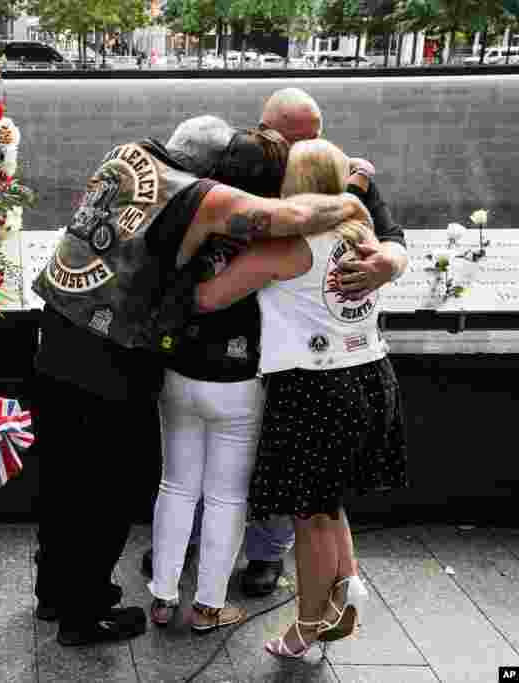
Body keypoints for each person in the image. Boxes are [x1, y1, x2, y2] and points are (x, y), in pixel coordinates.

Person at [31, 114, 371, 647]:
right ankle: (85, 613)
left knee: (63, 480)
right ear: (212, 172)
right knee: (107, 490)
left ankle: (53, 593)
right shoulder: (203, 198)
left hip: (55, 330)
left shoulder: (130, 153)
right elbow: (291, 215)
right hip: (110, 358)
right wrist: (351, 202)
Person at [141, 87, 409, 598]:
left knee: (273, 474)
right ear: (266, 130)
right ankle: (190, 552)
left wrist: (384, 265)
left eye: (310, 138)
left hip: (294, 361)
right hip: (273, 357)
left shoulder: (332, 173)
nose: (298, 149)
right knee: (238, 474)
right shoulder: (246, 165)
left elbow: (394, 241)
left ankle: (264, 556)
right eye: (290, 139)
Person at [195, 139, 409, 657]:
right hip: (370, 375)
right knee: (329, 504)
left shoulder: (285, 248)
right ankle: (346, 591)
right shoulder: (363, 234)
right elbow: (392, 247)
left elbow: (209, 297)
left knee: (310, 517)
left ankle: (305, 629)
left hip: (315, 388)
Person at [147, 124, 294, 631]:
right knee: (228, 494)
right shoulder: (278, 229)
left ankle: (163, 598)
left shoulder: (197, 208)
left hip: (178, 371)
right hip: (237, 381)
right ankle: (209, 605)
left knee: (176, 483)